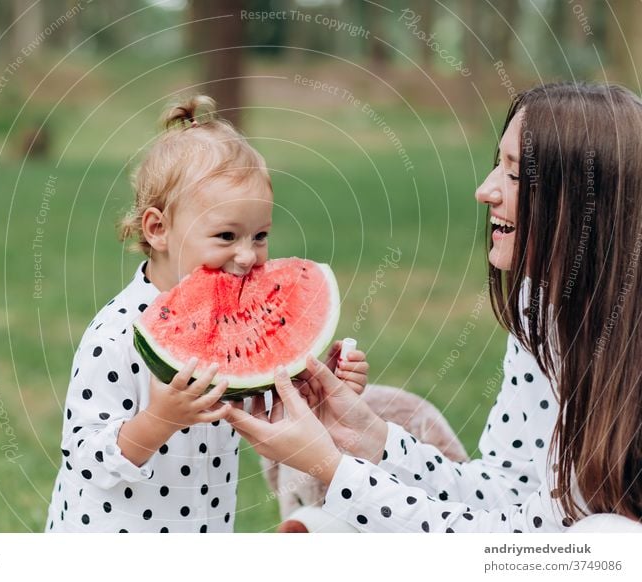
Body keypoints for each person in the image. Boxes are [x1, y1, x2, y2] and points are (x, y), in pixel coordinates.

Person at [224, 82, 642, 532]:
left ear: (583, 202)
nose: (486, 191)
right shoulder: (537, 305)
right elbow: (503, 491)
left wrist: (334, 470)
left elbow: (525, 547)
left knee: (610, 540)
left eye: (514, 174)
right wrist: (369, 438)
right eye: (495, 164)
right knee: (329, 531)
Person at [45, 95, 272, 532]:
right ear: (158, 229)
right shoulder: (114, 335)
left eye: (260, 235)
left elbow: (258, 402)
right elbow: (86, 461)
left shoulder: (236, 321)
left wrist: (317, 377)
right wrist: (160, 420)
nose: (247, 256)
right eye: (226, 235)